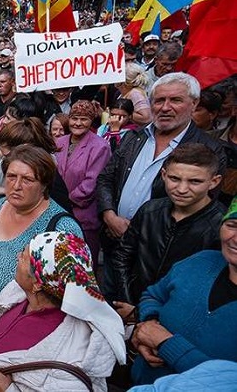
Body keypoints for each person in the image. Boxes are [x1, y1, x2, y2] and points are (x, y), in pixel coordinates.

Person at [96, 72, 226, 301]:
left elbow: (200, 209)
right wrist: (109, 215)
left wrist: (143, 232)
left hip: (160, 259)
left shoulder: (208, 150)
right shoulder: (133, 138)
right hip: (114, 243)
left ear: (193, 103)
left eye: (175, 100)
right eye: (158, 100)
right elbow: (106, 178)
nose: (165, 107)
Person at [0, 231, 126, 391]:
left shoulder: (72, 356)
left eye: (24, 256)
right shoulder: (17, 293)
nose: (18, 256)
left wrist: (6, 389)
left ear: (37, 284)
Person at [0, 145, 83, 320]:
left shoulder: (62, 229)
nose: (17, 186)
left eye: (27, 179)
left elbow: (73, 298)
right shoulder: (1, 205)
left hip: (13, 329)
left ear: (44, 185)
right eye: (11, 176)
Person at [129, 199, 237, 385]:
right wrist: (148, 325)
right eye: (232, 225)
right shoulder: (202, 261)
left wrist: (165, 344)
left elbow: (228, 383)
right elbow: (154, 295)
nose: (235, 238)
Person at [112, 144, 225, 306]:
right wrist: (129, 302)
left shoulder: (222, 227)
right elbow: (122, 256)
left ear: (214, 182)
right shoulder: (149, 211)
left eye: (195, 181)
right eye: (175, 179)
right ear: (164, 175)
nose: (182, 189)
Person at [55, 100, 112, 264]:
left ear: (91, 121)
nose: (78, 123)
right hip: (56, 212)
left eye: (84, 119)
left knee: (82, 264)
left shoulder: (100, 146)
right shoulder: (60, 142)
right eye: (74, 118)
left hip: (82, 215)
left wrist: (64, 201)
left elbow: (91, 183)